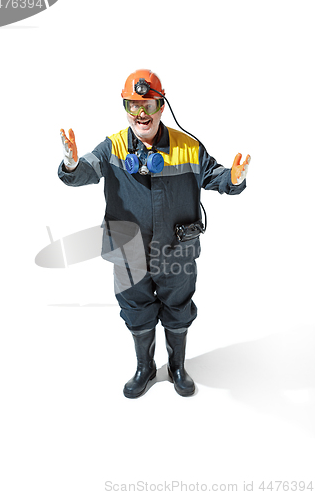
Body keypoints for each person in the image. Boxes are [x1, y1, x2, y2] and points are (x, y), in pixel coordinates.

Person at [58, 69, 250, 399]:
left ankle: (176, 367)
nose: (141, 114)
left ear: (162, 106)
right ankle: (145, 368)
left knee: (178, 306)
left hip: (177, 250)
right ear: (125, 108)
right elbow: (85, 169)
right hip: (128, 252)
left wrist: (232, 179)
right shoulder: (113, 146)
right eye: (132, 106)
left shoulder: (188, 147)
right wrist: (72, 164)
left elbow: (216, 175)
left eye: (148, 104)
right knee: (135, 307)